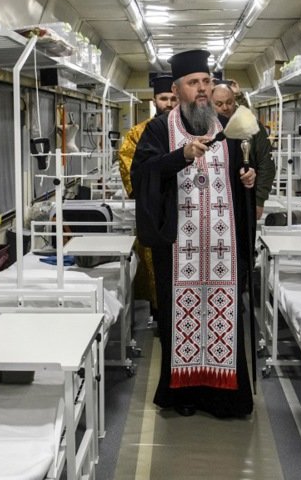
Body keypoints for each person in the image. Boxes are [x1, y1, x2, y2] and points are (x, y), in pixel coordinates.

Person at [131, 50, 256, 419]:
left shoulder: (227, 127)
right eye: (193, 83)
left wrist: (246, 178)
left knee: (224, 318)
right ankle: (182, 396)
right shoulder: (158, 129)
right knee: (179, 321)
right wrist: (180, 155)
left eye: (206, 81)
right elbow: (143, 175)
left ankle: (225, 399)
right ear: (177, 88)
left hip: (222, 248)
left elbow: (240, 170)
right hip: (179, 247)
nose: (201, 89)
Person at [117, 75, 176, 315]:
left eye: (174, 99)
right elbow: (129, 167)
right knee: (154, 265)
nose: (169, 104)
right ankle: (157, 309)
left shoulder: (187, 130)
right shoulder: (137, 133)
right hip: (153, 209)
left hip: (182, 209)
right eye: (164, 99)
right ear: (154, 101)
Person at [211, 83, 275, 219]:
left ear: (234, 100)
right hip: (215, 198)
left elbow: (266, 164)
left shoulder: (252, 125)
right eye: (219, 104)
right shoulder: (207, 128)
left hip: (245, 195)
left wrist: (259, 200)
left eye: (229, 102)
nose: (225, 107)